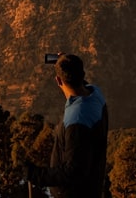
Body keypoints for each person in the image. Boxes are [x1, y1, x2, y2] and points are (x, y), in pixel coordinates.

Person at [26, 53, 109, 198]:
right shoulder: (96, 95)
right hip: (93, 185)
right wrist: (66, 62)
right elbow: (79, 81)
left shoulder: (77, 120)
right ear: (82, 75)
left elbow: (74, 171)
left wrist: (35, 174)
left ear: (58, 80)